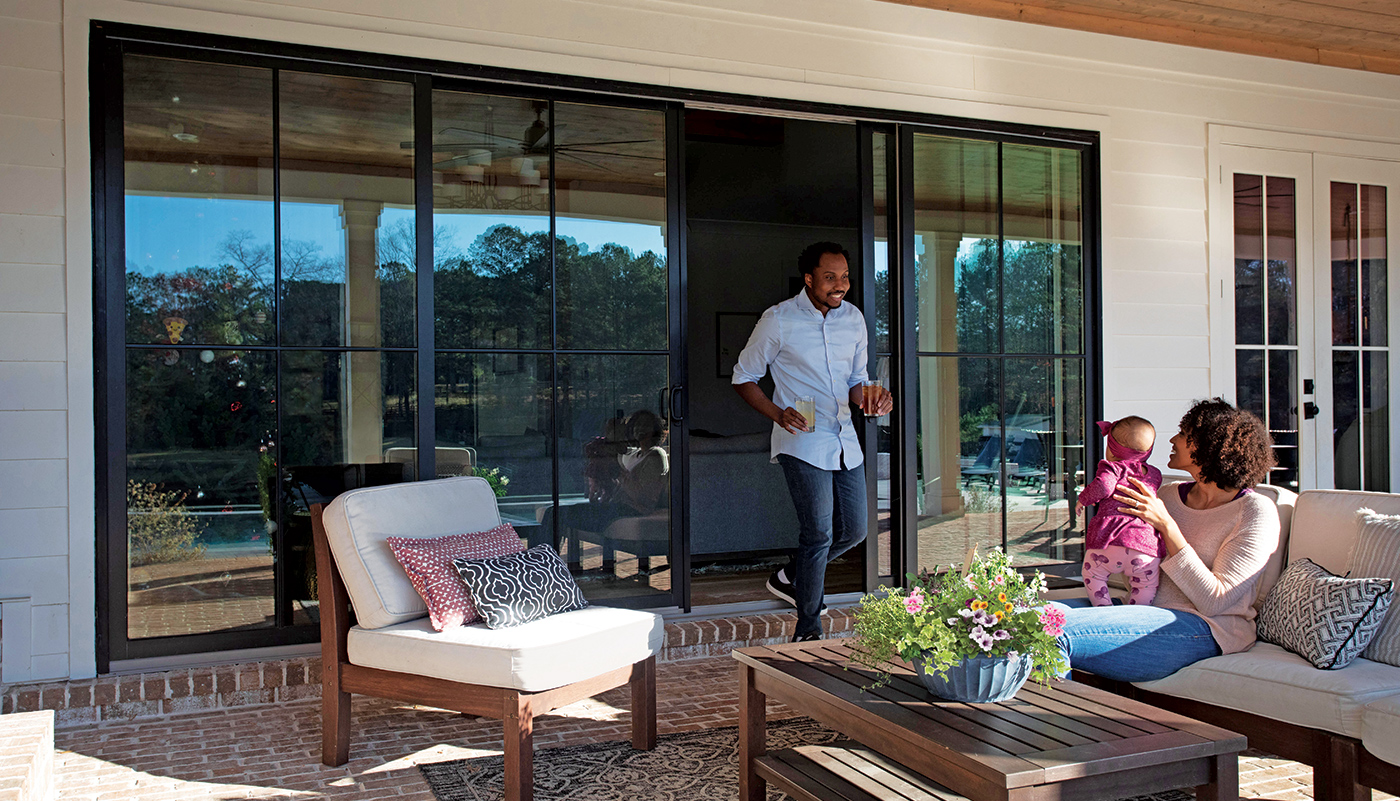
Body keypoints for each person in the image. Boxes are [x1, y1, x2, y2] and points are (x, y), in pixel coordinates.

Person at [1052, 398, 1280, 682]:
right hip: (1141, 611)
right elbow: (1134, 565)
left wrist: (1167, 526)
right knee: (1031, 619)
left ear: (1210, 445)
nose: (1173, 439)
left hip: (1206, 629)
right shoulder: (1166, 495)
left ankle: (1058, 723)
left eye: (1184, 434)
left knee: (1055, 633)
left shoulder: (1254, 512)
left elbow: (1216, 602)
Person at [731, 241, 893, 642]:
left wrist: (871, 399)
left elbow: (857, 380)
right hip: (801, 438)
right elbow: (743, 376)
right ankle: (808, 629)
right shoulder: (779, 319)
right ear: (808, 279)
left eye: (845, 277)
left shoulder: (853, 319)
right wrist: (777, 413)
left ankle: (791, 575)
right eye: (830, 277)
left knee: (855, 529)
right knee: (818, 532)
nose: (841, 285)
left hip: (844, 439)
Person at [1074, 416, 1164, 606]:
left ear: (1112, 450)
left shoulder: (1112, 468)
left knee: (1093, 574)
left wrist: (1083, 499)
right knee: (1146, 586)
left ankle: (1104, 609)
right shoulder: (1155, 474)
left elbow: (1104, 487)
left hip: (1110, 542)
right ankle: (1137, 613)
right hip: (1145, 548)